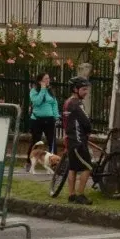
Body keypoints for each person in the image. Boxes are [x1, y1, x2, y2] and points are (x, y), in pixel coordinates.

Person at [64, 76, 94, 205]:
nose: (86, 92)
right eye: (83, 89)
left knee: (73, 168)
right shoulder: (77, 103)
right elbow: (86, 121)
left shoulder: (67, 102)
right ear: (75, 89)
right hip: (78, 141)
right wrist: (89, 131)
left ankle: (71, 195)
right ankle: (80, 195)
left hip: (70, 140)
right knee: (88, 167)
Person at [26, 72, 60, 171]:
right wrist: (43, 89)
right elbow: (37, 102)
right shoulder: (34, 91)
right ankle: (29, 162)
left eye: (48, 78)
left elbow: (54, 104)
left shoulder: (51, 91)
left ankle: (54, 163)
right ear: (40, 81)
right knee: (35, 141)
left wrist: (56, 116)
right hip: (37, 120)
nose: (48, 80)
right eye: (45, 79)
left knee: (52, 141)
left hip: (49, 120)